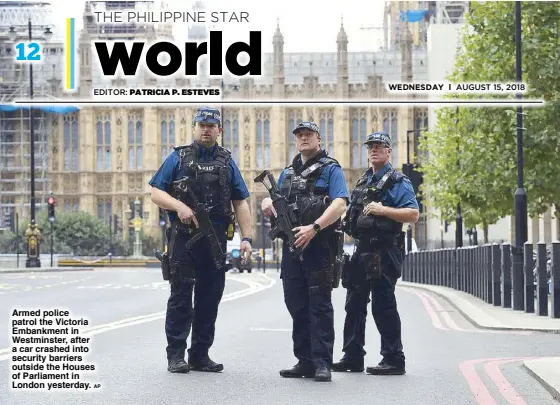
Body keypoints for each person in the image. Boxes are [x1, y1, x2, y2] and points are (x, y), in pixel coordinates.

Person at [149, 107, 253, 374]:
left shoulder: (228, 162)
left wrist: (247, 238)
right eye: (202, 125)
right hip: (183, 240)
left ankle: (200, 354)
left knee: (209, 299)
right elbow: (156, 193)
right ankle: (176, 356)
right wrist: (179, 207)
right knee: (181, 298)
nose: (206, 129)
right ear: (194, 127)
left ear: (219, 130)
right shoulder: (178, 157)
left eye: (211, 125)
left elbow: (240, 202)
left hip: (214, 240)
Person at [261, 121, 348, 382]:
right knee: (295, 303)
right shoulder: (287, 173)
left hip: (318, 245)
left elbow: (341, 203)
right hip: (292, 248)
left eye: (308, 134)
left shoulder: (331, 169)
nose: (303, 138)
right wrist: (267, 202)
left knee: (319, 305)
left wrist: (315, 227)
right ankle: (305, 360)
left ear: (319, 139)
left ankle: (322, 362)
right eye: (299, 135)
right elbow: (278, 202)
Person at [332, 131, 419, 376]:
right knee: (354, 304)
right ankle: (352, 357)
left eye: (379, 146)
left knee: (384, 305)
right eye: (371, 146)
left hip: (385, 249)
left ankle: (394, 359)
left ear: (389, 151)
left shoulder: (397, 180)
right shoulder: (363, 181)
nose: (374, 150)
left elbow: (413, 214)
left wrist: (383, 210)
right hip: (362, 250)